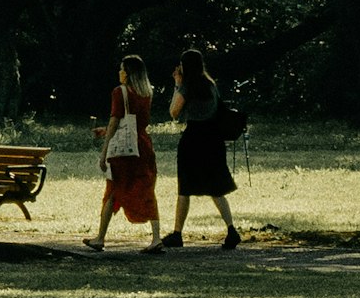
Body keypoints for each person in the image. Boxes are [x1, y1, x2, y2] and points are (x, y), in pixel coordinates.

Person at [159, 49, 244, 250]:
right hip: (213, 139)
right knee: (216, 187)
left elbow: (173, 112)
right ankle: (231, 230)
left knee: (185, 187)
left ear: (184, 66)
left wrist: (177, 84)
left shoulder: (188, 86)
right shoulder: (210, 85)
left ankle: (177, 233)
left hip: (194, 139)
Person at [88, 51, 158, 251]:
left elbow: (115, 120)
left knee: (112, 190)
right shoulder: (146, 93)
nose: (119, 72)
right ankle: (156, 237)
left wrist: (104, 150)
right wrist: (106, 130)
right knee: (146, 190)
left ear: (127, 72)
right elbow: (136, 121)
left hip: (124, 151)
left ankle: (100, 237)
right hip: (143, 145)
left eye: (121, 69)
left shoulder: (120, 92)